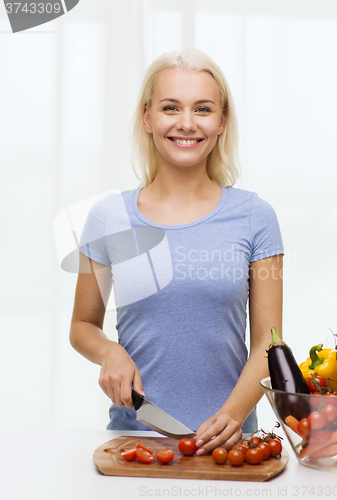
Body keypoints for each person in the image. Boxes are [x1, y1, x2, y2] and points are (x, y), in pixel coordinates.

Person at [70, 48, 283, 456]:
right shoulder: (108, 217)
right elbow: (82, 325)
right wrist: (109, 351)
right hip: (136, 437)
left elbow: (269, 345)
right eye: (171, 108)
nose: (186, 123)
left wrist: (234, 414)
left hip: (232, 442)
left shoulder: (256, 217)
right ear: (147, 117)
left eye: (202, 109)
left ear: (222, 121)